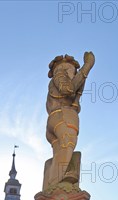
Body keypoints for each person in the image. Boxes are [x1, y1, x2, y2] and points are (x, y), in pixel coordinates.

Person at [45, 51, 95, 188]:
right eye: (71, 71)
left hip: (56, 119)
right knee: (67, 146)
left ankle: (55, 183)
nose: (73, 74)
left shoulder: (59, 78)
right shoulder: (60, 74)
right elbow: (68, 89)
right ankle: (55, 186)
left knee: (61, 156)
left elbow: (74, 90)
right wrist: (88, 66)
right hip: (63, 116)